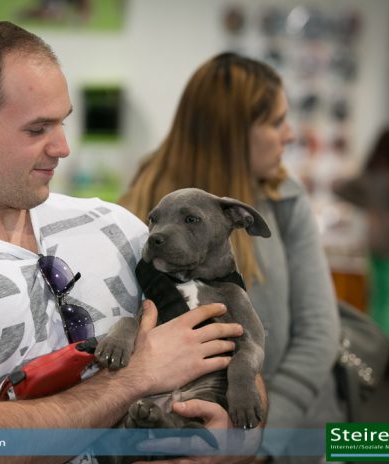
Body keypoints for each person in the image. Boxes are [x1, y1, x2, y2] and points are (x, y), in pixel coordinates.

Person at [0, 21, 265, 464]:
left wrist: (236, 441)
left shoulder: (114, 224)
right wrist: (136, 377)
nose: (63, 147)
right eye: (37, 130)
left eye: (62, 123)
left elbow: (231, 344)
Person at [119, 52, 343, 463]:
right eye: (276, 122)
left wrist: (256, 440)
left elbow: (318, 334)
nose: (288, 135)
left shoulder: (283, 199)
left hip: (287, 439)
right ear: (233, 132)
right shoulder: (139, 204)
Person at [333, 127, 389, 376]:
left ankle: (373, 351)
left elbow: (339, 187)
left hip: (374, 242)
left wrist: (368, 206)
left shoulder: (370, 173)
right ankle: (387, 355)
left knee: (377, 300)